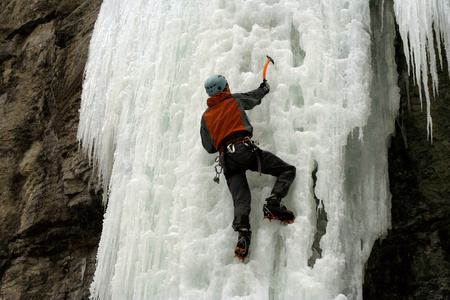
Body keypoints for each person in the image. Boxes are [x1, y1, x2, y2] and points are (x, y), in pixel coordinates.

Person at [200, 74, 296, 261]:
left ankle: (243, 235)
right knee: (287, 170)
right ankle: (273, 202)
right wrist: (264, 88)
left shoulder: (206, 116)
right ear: (223, 88)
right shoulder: (233, 100)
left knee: (240, 199)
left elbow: (209, 147)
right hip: (243, 149)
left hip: (226, 160)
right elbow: (254, 97)